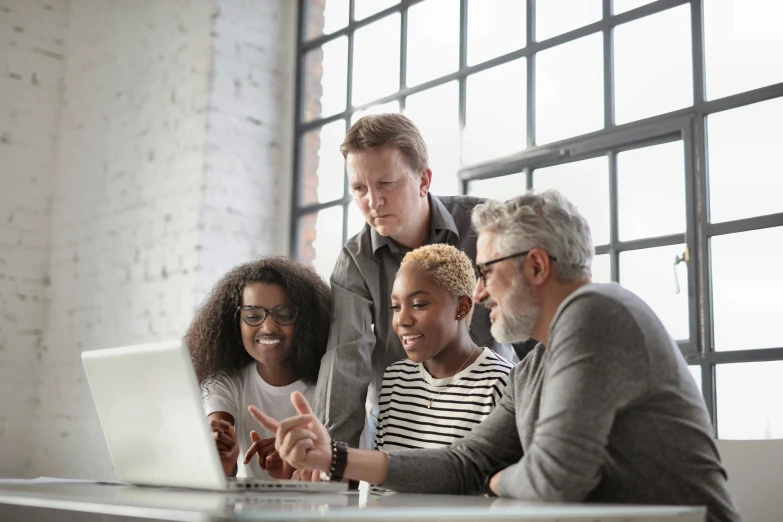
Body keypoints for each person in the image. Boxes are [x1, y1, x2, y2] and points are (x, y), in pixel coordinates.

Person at [248, 191, 740, 522]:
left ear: (538, 265)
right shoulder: (536, 366)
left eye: (485, 271)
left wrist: (499, 479)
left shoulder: (598, 313)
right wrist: (335, 457)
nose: (479, 292)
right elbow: (465, 463)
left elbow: (553, 482)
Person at [314, 113, 520, 450]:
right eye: (359, 188)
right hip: (402, 421)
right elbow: (345, 359)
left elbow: (528, 326)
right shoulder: (355, 261)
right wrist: (332, 458)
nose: (373, 201)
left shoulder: (486, 227)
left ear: (423, 180)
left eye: (386, 184)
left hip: (488, 412)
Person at [184, 257, 330, 479]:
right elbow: (220, 463)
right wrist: (220, 455)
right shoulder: (227, 383)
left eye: (284, 315)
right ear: (236, 324)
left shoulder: (328, 385)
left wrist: (295, 466)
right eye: (252, 316)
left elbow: (347, 481)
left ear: (305, 321)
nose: (269, 327)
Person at [376, 244, 513, 452]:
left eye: (419, 304)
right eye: (396, 307)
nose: (401, 320)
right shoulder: (395, 379)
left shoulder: (502, 383)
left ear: (462, 307)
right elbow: (381, 480)